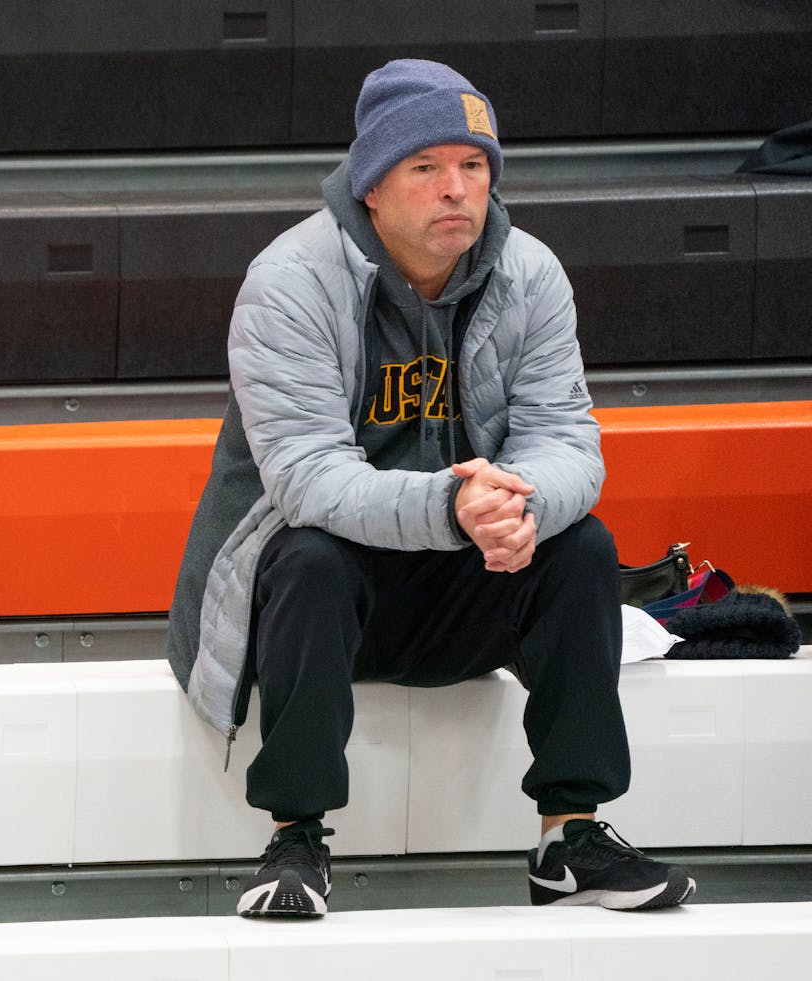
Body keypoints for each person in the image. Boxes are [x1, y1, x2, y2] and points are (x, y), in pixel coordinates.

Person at [166, 59, 696, 918]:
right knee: (309, 557)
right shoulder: (289, 281)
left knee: (581, 547)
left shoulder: (531, 275)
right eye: (427, 168)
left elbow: (568, 441)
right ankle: (296, 838)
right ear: (373, 185)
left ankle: (570, 837)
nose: (457, 189)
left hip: (459, 576)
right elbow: (306, 480)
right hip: (320, 601)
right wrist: (454, 510)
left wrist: (514, 506)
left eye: (474, 166)